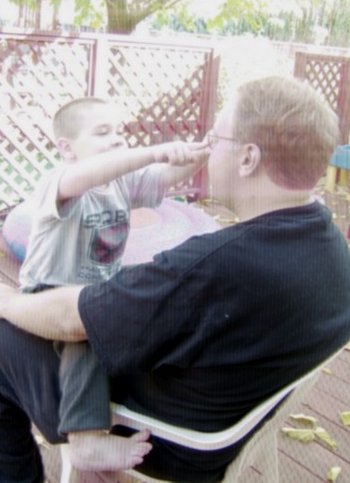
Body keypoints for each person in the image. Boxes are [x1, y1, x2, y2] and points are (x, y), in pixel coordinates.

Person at [0, 76, 350, 483]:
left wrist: (8, 302)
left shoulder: (211, 267)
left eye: (217, 139)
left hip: (172, 442)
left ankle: (75, 444)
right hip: (224, 411)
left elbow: (74, 321)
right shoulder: (327, 242)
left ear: (247, 159)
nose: (210, 148)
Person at [16, 96, 210, 473]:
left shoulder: (120, 182)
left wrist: (201, 153)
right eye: (102, 132)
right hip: (47, 296)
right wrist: (154, 151)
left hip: (96, 294)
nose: (118, 139)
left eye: (119, 131)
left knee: (141, 305)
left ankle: (148, 401)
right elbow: (91, 174)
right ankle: (85, 439)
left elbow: (167, 177)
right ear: (67, 148)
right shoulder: (61, 181)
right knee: (90, 329)